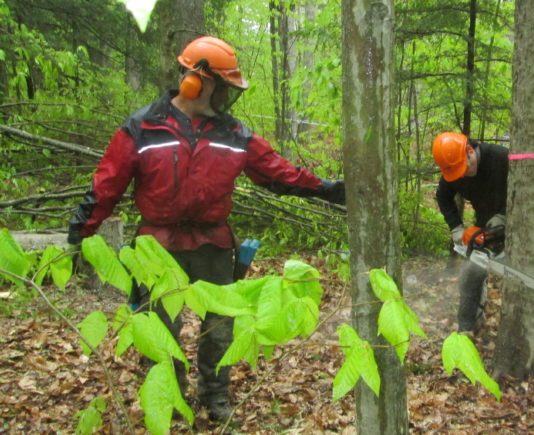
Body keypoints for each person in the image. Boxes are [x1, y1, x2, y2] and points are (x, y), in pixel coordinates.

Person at [67, 35, 345, 421]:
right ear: (196, 80)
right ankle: (168, 394)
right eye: (224, 86)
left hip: (213, 242)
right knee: (160, 324)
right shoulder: (143, 126)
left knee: (220, 324)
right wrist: (80, 233)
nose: (228, 97)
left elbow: (278, 173)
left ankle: (216, 394)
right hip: (156, 248)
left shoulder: (234, 133)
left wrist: (329, 190)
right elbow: (106, 184)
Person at [432, 132, 508, 333]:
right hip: (484, 225)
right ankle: (467, 327)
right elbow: (443, 197)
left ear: (470, 151)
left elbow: (529, 190)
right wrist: (456, 227)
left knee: (516, 283)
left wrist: (505, 215)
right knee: (470, 276)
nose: (464, 174)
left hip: (516, 224)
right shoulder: (453, 170)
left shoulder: (501, 158)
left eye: (466, 168)